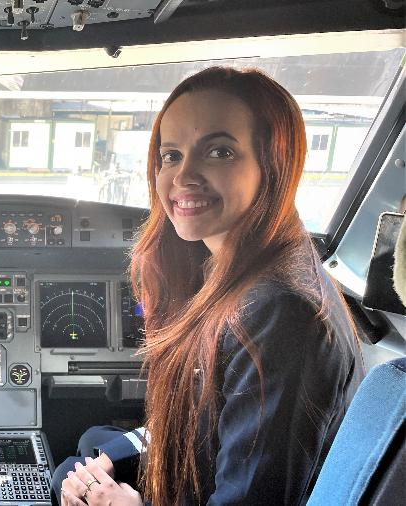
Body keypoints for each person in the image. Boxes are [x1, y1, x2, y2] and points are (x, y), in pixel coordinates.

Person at [58, 67, 363, 505]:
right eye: (171, 155)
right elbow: (206, 423)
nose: (183, 177)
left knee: (67, 475)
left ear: (273, 164)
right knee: (93, 444)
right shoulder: (242, 265)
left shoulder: (279, 313)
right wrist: (118, 461)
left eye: (219, 152)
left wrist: (120, 502)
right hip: (200, 468)